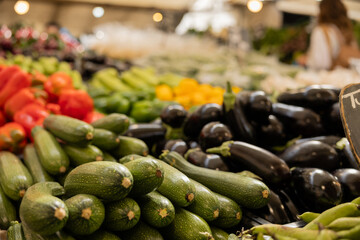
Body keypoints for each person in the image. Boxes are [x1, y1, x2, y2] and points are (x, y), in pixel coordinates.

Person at [303, 0, 359, 70]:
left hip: (326, 78)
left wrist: (307, 60)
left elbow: (320, 63)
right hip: (346, 77)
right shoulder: (347, 32)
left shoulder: (321, 31)